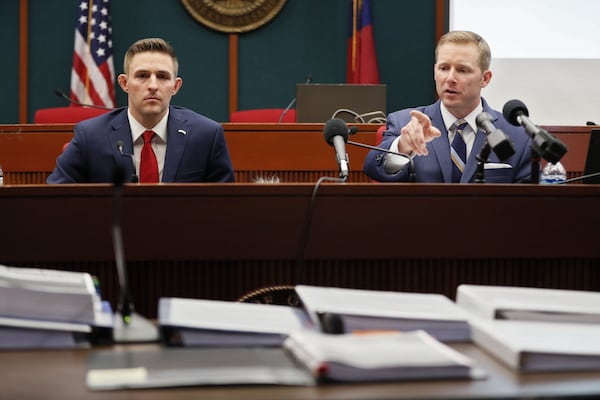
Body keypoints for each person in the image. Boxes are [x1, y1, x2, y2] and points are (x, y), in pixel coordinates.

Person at [47, 37, 235, 184]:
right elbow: (54, 199)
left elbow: (227, 207)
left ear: (175, 86)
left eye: (162, 77)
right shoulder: (90, 136)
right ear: (124, 83)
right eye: (142, 76)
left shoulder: (206, 136)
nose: (153, 85)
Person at [363, 31, 531, 183]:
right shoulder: (406, 123)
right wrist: (403, 147)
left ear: (485, 78)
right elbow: (373, 168)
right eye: (444, 68)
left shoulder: (517, 134)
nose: (450, 78)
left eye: (463, 70)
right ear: (435, 71)